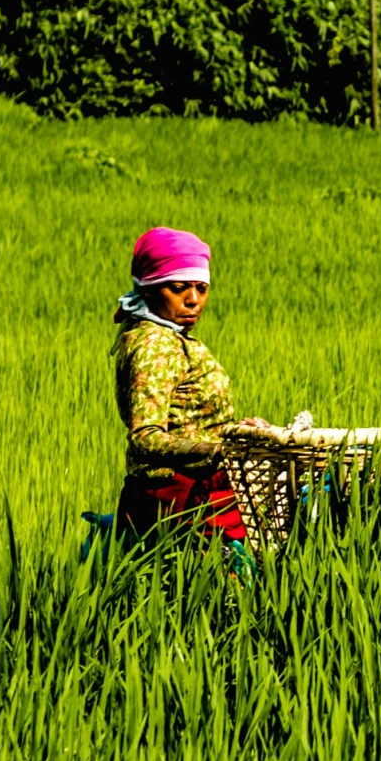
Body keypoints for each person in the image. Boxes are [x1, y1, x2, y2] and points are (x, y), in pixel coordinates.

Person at [111, 225, 257, 558]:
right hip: (179, 499)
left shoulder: (167, 336)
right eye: (179, 288)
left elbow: (187, 419)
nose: (193, 300)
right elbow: (146, 437)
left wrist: (236, 434)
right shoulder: (155, 345)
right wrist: (222, 449)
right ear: (148, 289)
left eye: (201, 288)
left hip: (202, 492)